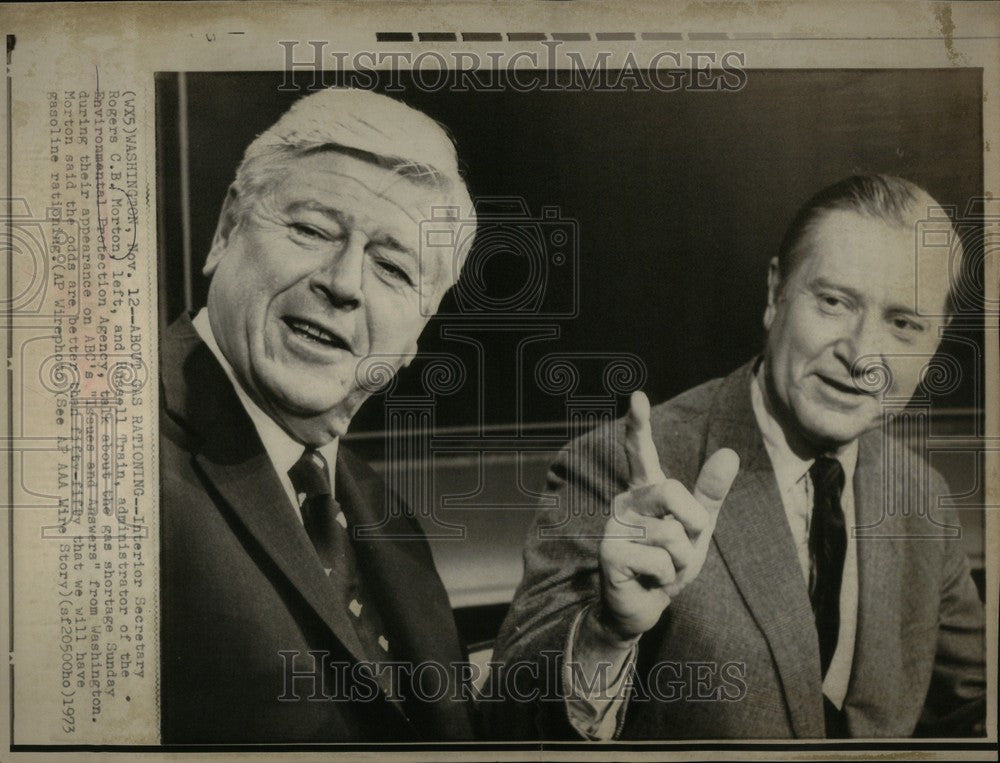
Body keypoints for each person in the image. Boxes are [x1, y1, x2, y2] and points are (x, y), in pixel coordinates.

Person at [488, 174, 985, 739]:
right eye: (833, 302)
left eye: (903, 324)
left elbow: (975, 707)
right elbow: (508, 721)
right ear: (775, 294)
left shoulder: (922, 497)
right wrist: (607, 634)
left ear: (936, 341)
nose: (861, 355)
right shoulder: (616, 468)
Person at [159, 88, 477, 742]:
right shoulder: (94, 451)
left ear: (417, 334)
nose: (344, 282)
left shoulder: (387, 516)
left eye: (392, 267)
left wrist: (604, 635)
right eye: (311, 228)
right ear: (226, 230)